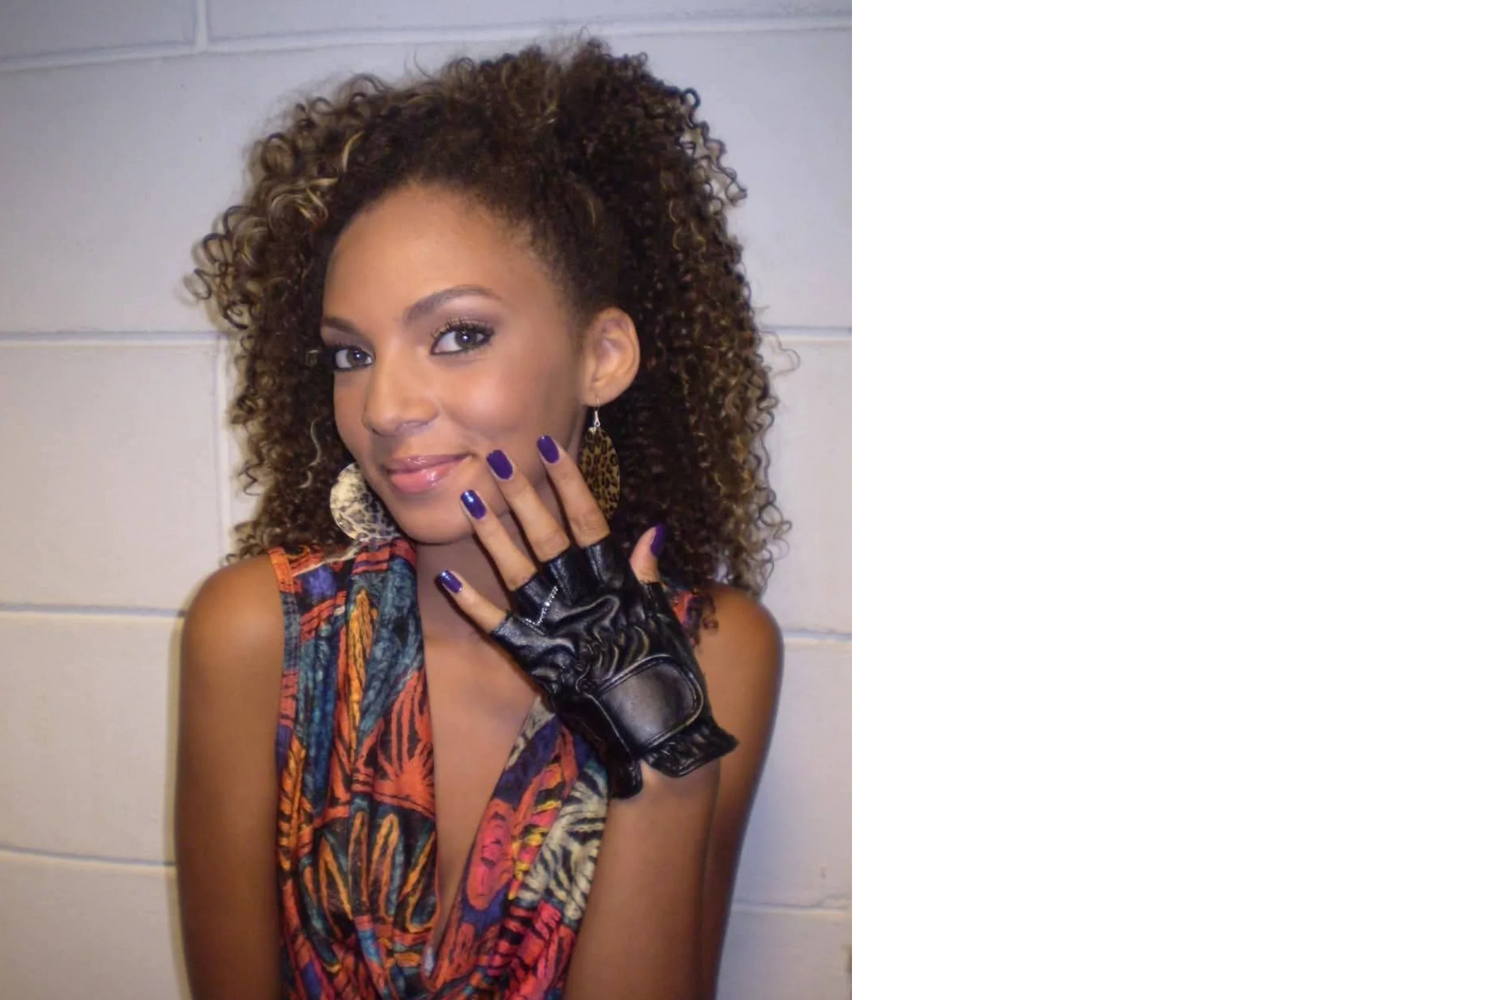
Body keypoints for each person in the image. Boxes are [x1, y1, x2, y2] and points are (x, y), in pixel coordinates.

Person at [173, 38, 786, 1000]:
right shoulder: (259, 635)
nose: (383, 409)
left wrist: (666, 763)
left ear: (602, 356)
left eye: (458, 335)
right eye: (351, 355)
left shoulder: (716, 652)